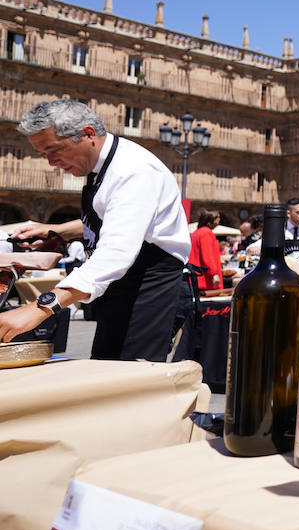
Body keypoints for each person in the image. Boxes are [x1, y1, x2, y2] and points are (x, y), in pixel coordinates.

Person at [0, 100, 192, 359]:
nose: (50, 162)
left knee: (130, 386)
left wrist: (39, 308)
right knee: (105, 373)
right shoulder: (100, 167)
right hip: (121, 290)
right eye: (43, 154)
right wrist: (57, 232)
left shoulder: (133, 171)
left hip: (149, 291)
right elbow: (114, 217)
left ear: (88, 134)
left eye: (54, 150)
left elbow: (116, 253)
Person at [189, 209, 225, 292]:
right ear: (211, 219)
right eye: (218, 217)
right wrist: (214, 274)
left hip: (197, 277)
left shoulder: (197, 233)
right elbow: (207, 256)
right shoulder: (206, 233)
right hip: (205, 280)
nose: (219, 220)